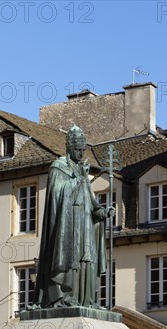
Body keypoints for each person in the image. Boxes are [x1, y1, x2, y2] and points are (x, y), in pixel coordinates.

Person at [33, 125, 114, 309]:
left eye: (83, 149)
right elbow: (58, 195)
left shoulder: (82, 171)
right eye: (78, 149)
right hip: (68, 227)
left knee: (88, 262)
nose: (81, 153)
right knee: (71, 262)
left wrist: (103, 212)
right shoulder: (58, 167)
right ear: (69, 148)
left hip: (85, 225)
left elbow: (92, 205)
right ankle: (64, 298)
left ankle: (87, 301)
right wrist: (79, 179)